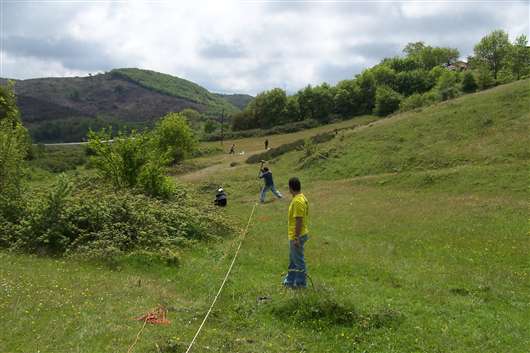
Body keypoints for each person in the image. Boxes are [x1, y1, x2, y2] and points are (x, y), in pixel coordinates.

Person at [283, 177, 309, 289]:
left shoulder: (298, 201)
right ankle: (289, 281)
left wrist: (296, 237)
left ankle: (301, 284)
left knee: (298, 261)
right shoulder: (301, 197)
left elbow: (299, 220)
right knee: (293, 260)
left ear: (290, 188)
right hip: (296, 235)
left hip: (297, 235)